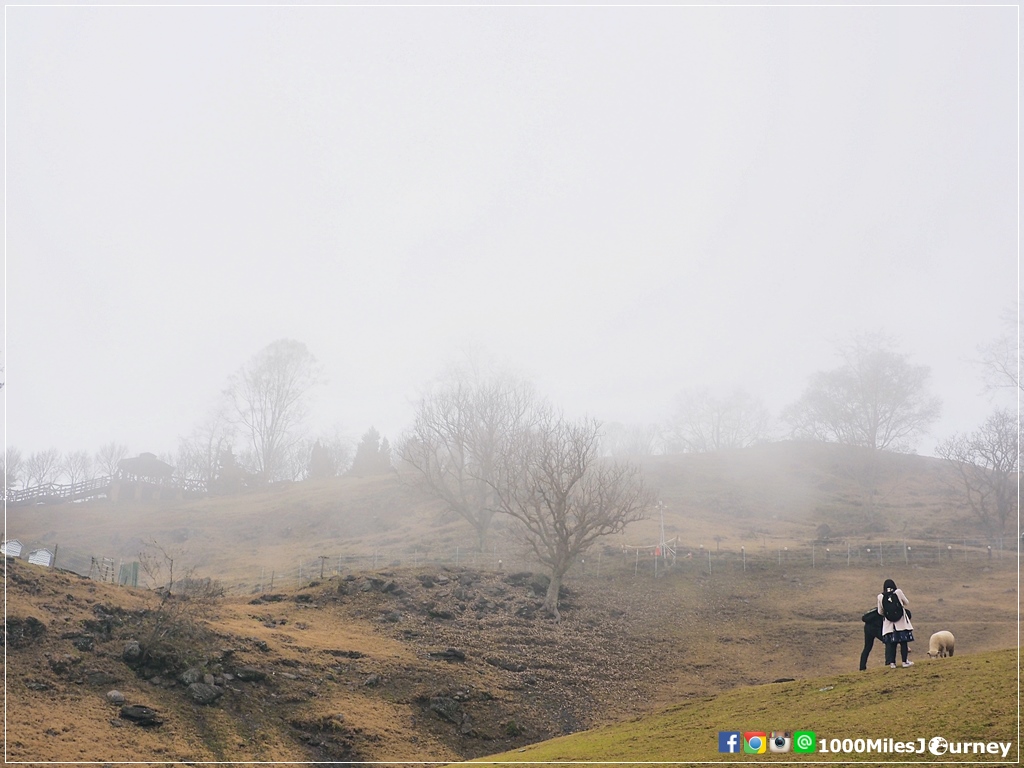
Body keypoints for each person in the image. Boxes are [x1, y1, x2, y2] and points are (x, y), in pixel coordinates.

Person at [877, 578, 914, 668]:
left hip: (889, 626)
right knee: (903, 643)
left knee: (892, 644)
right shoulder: (898, 592)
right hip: (901, 624)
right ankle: (905, 662)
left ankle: (892, 663)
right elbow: (906, 602)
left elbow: (880, 612)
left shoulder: (880, 596)